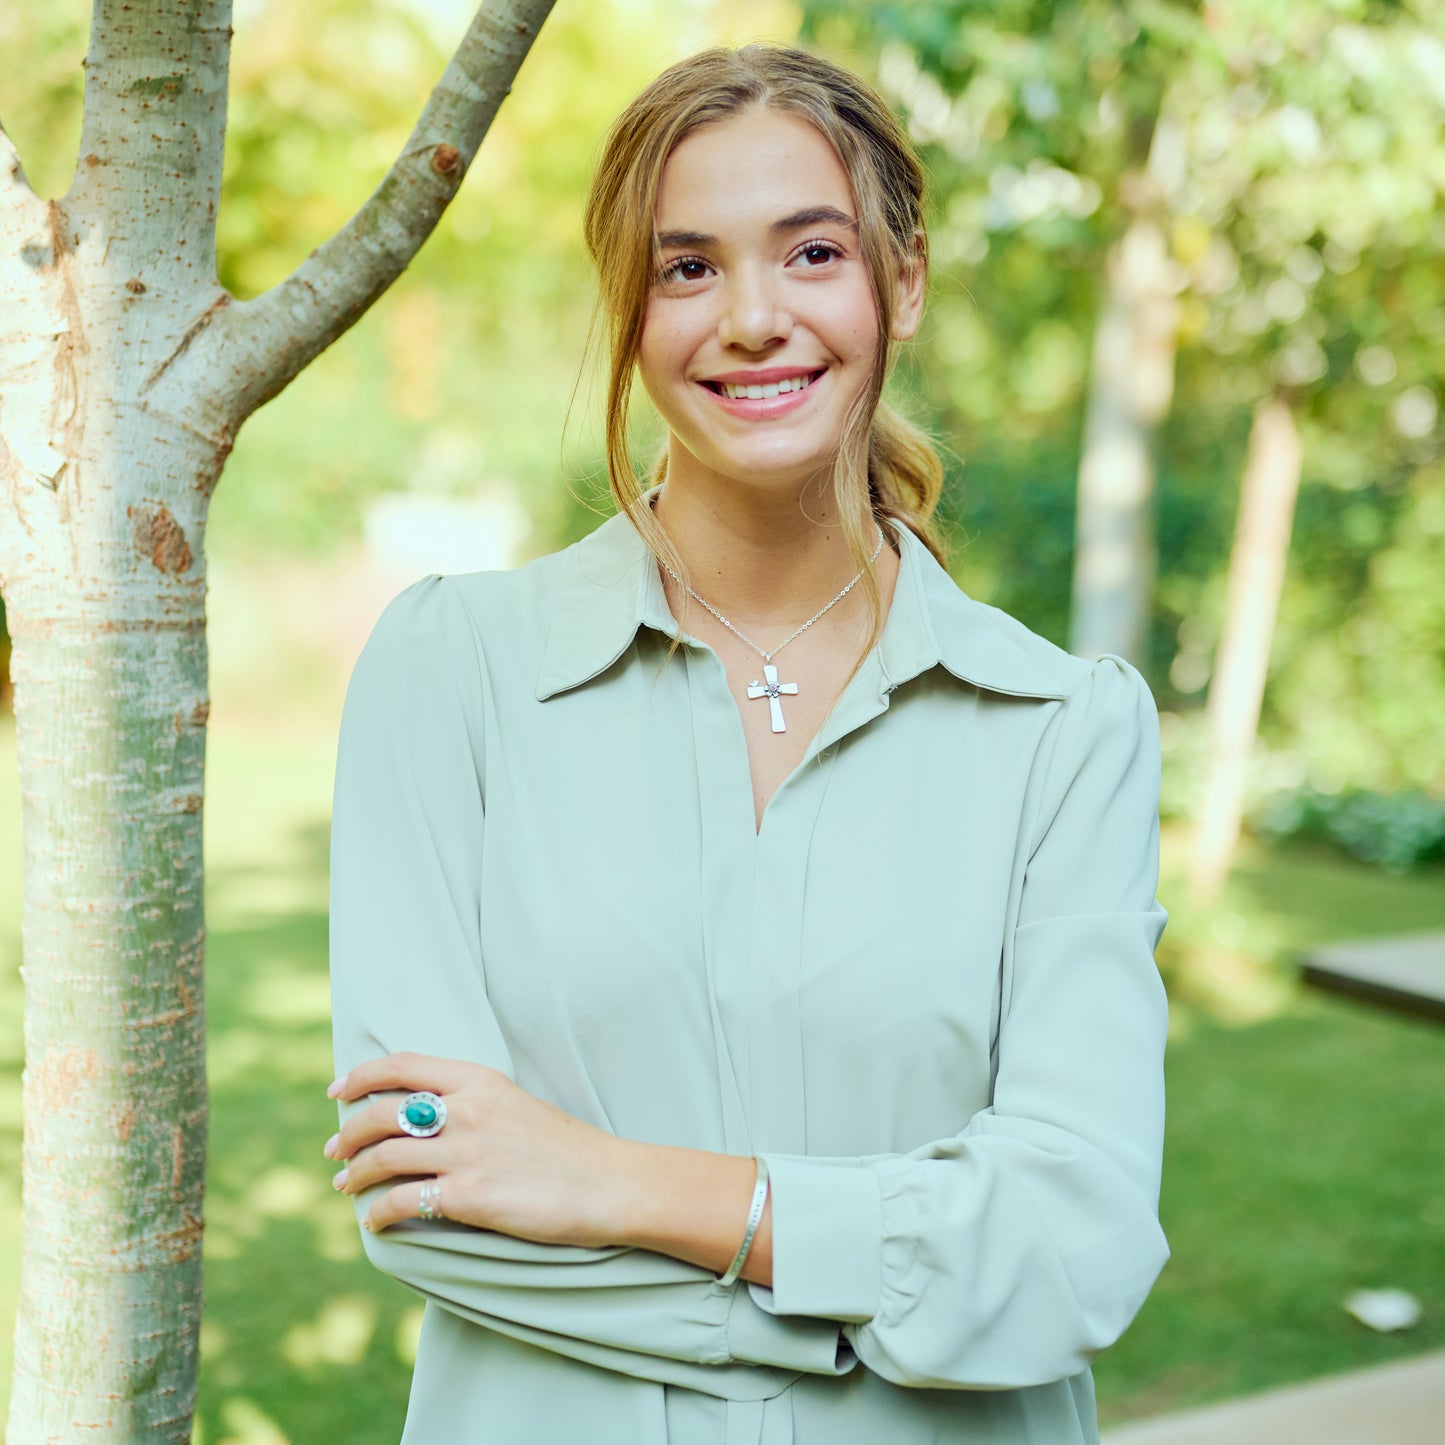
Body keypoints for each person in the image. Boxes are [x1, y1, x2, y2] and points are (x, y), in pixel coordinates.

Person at [324, 42, 1169, 1445]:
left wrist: (609, 1180)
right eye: (688, 267)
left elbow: (1070, 1244)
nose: (753, 318)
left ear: (901, 281)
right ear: (631, 308)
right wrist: (880, 1302)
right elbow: (426, 1201)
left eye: (812, 251)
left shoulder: (1066, 730)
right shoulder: (450, 672)